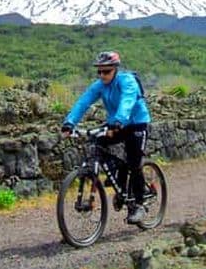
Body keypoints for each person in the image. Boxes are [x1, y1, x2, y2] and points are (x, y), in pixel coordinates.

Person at [61, 50, 151, 224]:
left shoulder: (127, 81)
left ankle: (139, 204)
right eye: (99, 71)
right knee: (98, 142)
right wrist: (69, 123)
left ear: (115, 69)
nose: (102, 75)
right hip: (115, 123)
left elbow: (127, 101)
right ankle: (119, 178)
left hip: (136, 123)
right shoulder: (99, 85)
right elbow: (83, 102)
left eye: (106, 71)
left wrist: (118, 120)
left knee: (134, 163)